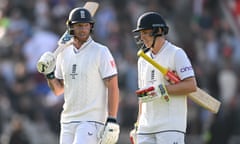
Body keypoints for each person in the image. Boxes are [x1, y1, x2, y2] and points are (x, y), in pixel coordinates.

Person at [37, 7, 120, 144]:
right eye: (79, 25)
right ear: (71, 27)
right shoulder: (63, 54)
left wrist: (112, 118)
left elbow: (113, 86)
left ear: (91, 27)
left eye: (86, 25)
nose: (83, 29)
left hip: (92, 119)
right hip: (68, 120)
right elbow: (58, 90)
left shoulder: (101, 51)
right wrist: (49, 74)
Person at [130, 12, 197, 144]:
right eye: (141, 33)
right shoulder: (142, 60)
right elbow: (142, 97)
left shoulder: (176, 54)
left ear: (159, 31)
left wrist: (162, 89)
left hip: (170, 125)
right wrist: (138, 124)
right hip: (146, 126)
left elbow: (191, 85)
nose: (142, 37)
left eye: (146, 32)